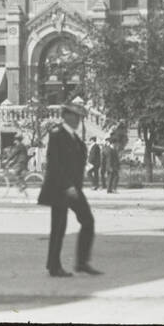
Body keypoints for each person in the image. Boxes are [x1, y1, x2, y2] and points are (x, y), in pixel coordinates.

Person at [38, 98, 100, 277]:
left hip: (73, 189)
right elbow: (55, 163)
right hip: (60, 189)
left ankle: (81, 262)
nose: (78, 119)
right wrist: (67, 185)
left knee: (87, 221)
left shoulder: (74, 137)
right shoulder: (57, 134)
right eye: (74, 116)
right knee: (59, 227)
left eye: (79, 116)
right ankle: (54, 266)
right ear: (65, 116)